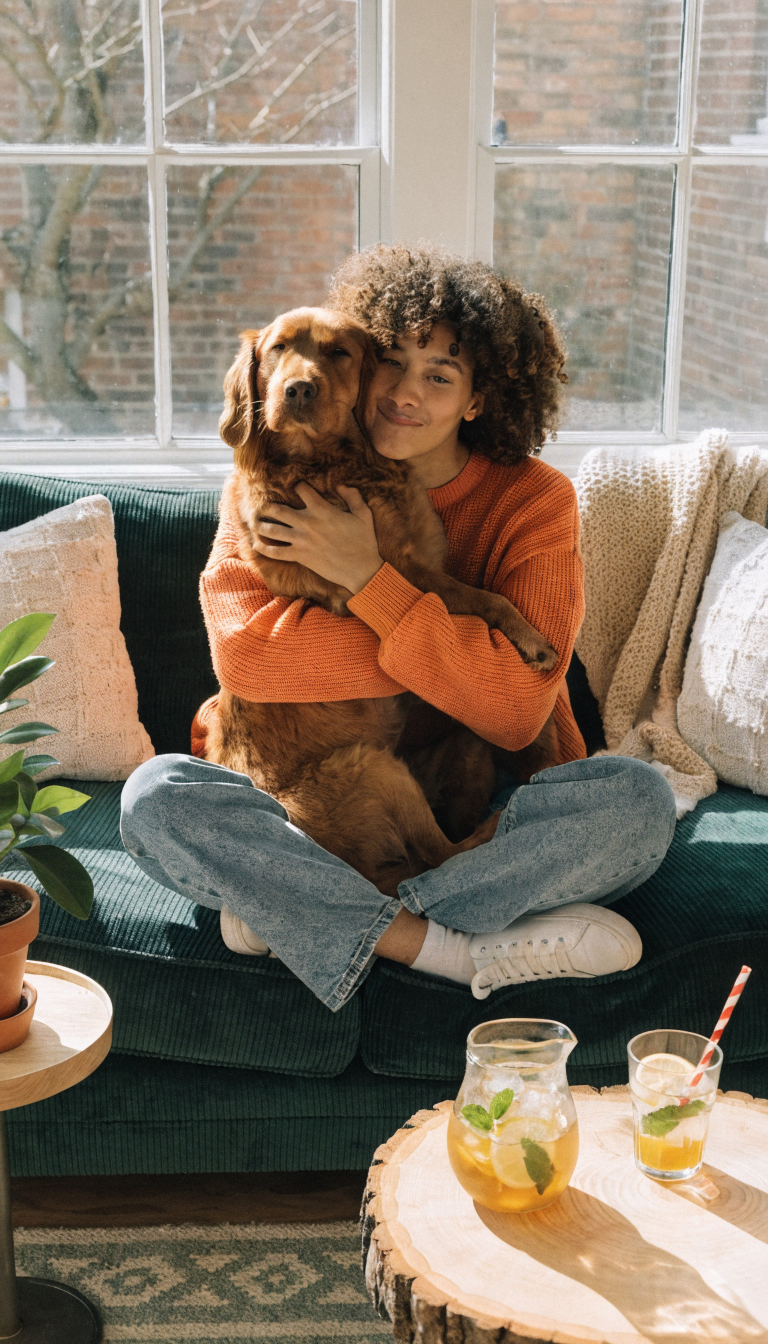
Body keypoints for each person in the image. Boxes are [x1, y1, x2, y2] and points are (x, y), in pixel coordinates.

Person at [121, 244, 676, 1010]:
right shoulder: (267, 475)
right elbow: (247, 661)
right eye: (391, 364)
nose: (404, 394)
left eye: (440, 376)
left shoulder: (535, 502)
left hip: (462, 781)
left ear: (477, 400)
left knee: (638, 801)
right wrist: (456, 659)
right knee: (155, 797)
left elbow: (517, 710)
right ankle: (447, 944)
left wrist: (366, 579)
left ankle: (297, 905)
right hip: (306, 791)